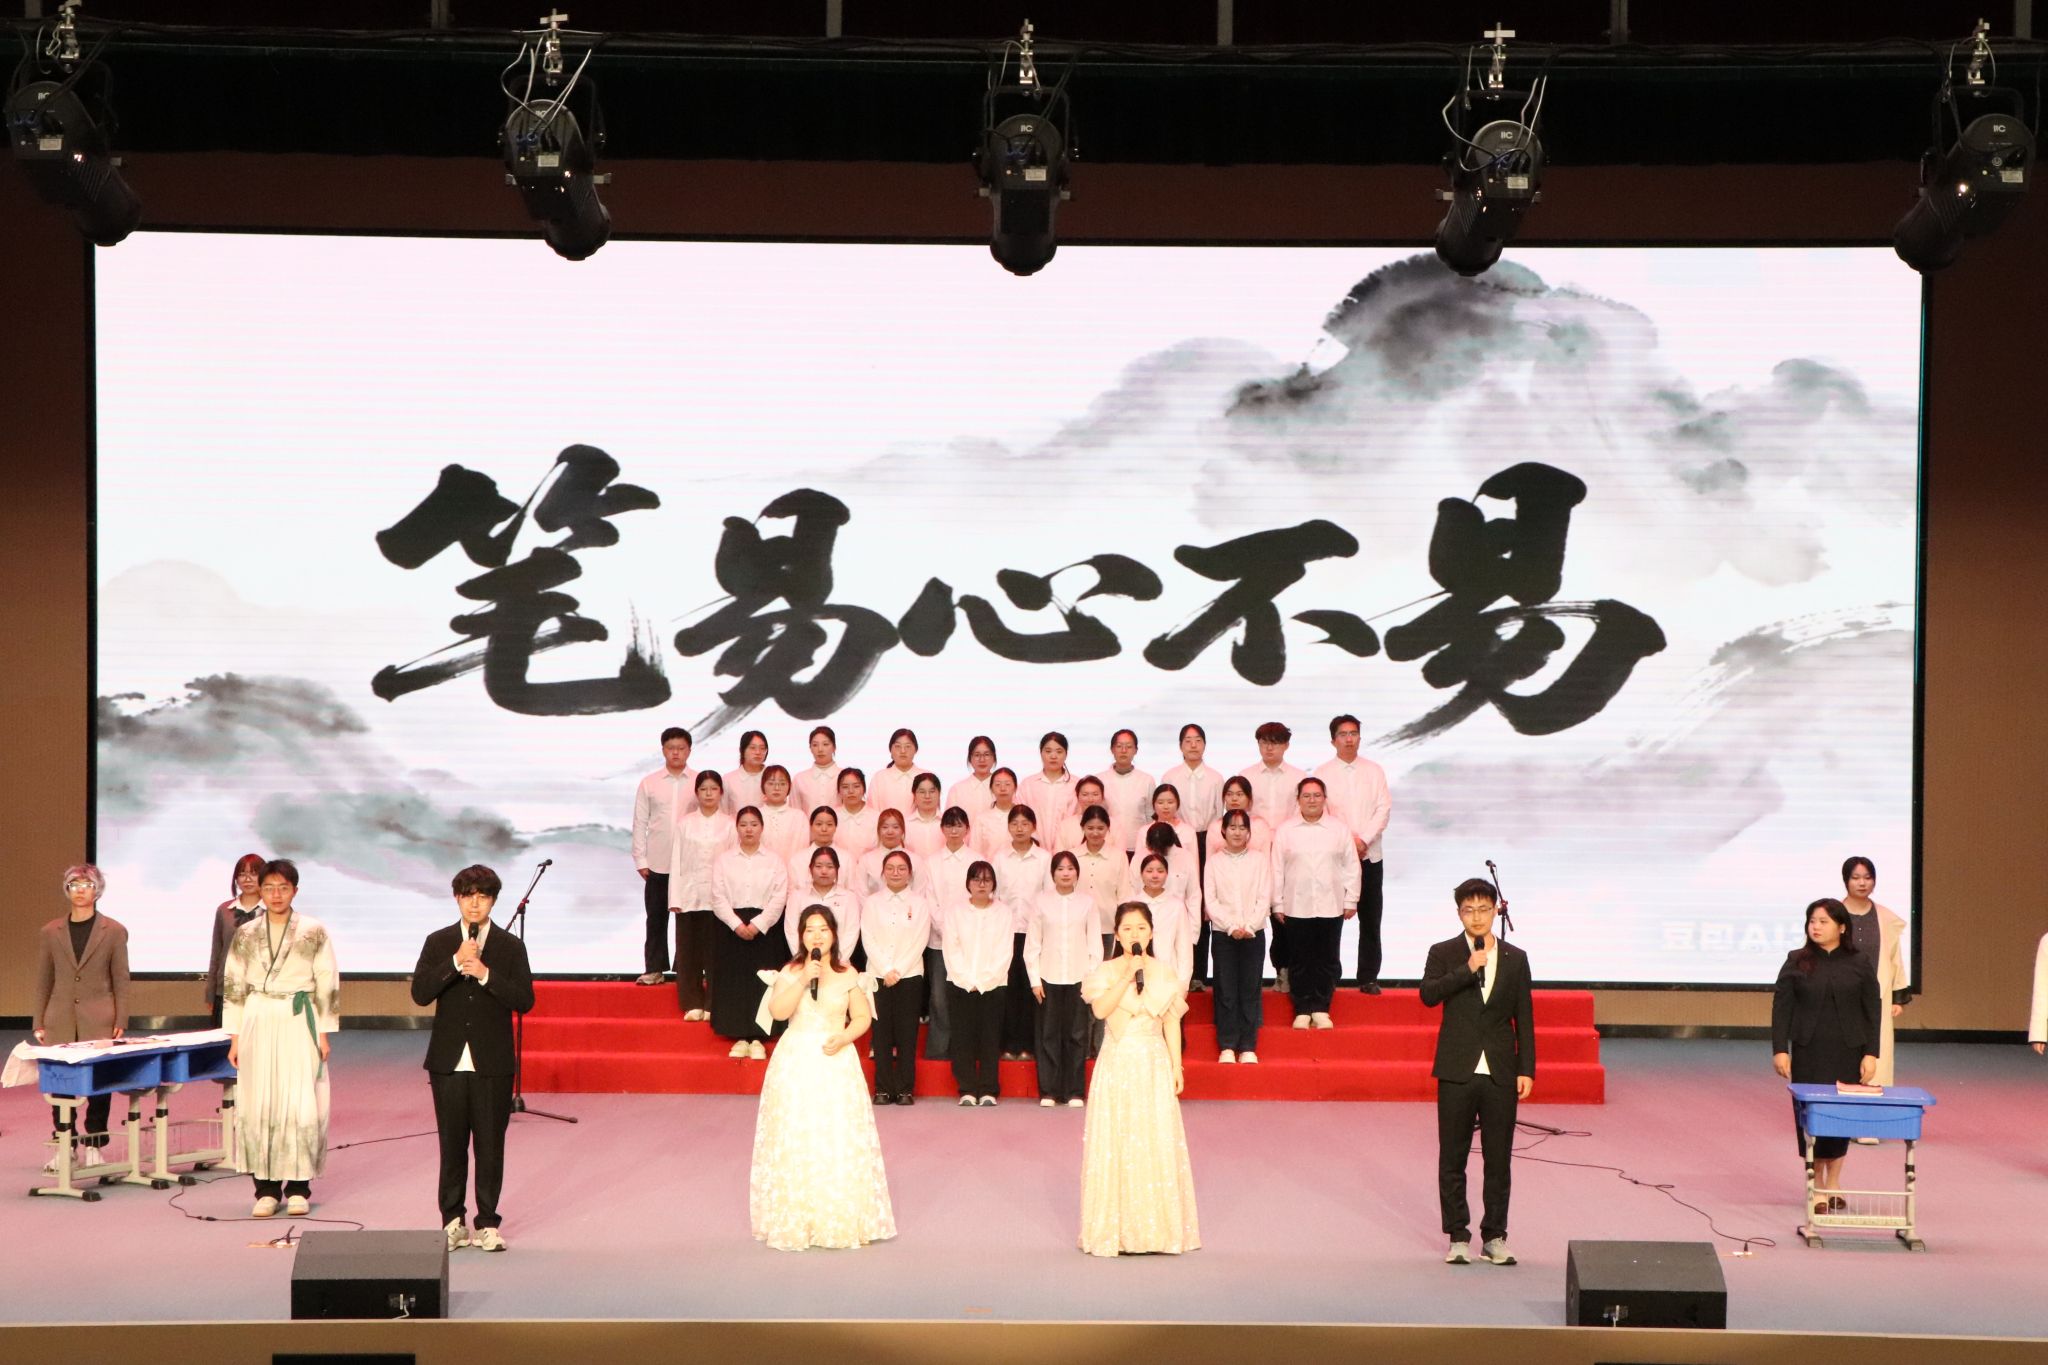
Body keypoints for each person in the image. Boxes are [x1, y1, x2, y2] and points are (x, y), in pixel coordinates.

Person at [750, 906, 897, 1251]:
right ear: (801, 935)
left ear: (834, 934)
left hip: (836, 1059)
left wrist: (845, 1037)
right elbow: (778, 1012)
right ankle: (797, 1218)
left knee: (836, 1134)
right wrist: (803, 979)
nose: (816, 936)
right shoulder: (791, 971)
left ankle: (835, 1216)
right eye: (809, 930)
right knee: (797, 1134)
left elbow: (861, 1017)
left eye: (823, 930)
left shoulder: (848, 974)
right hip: (796, 1061)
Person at [409, 864, 535, 1253]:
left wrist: (484, 974)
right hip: (447, 1061)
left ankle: (488, 1223)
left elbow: (524, 1000)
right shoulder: (439, 941)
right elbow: (420, 993)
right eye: (467, 896)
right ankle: (452, 1222)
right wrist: (454, 962)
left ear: (493, 900)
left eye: (482, 896)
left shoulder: (510, 946)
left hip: (491, 1062)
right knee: (452, 1146)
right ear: (457, 898)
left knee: (490, 1146)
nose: (474, 903)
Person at [1420, 878, 1535, 1267]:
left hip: (1500, 1069)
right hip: (1457, 1067)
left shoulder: (1516, 958)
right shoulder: (1444, 952)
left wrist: (1526, 1068)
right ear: (1459, 914)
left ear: (1495, 911)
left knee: (1498, 1159)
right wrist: (1467, 969)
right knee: (1452, 1157)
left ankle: (1495, 1236)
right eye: (1469, 910)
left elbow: (1524, 1017)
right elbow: (1428, 994)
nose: (1477, 917)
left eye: (1484, 909)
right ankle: (1457, 1235)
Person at [1078, 903, 1200, 1257]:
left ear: (1151, 933)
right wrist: (1126, 976)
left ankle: (1155, 1230)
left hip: (1153, 1063)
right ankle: (1114, 1230)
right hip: (1117, 1064)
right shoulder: (1105, 971)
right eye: (1128, 928)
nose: (1135, 934)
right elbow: (1100, 1010)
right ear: (1117, 935)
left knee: (1154, 1139)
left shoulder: (1163, 972)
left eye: (1142, 928)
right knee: (1117, 1142)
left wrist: (1177, 1067)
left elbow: (1171, 1021)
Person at [223, 859, 340, 1218]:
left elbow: (327, 981)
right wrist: (235, 1038)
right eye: (269, 888)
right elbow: (234, 985)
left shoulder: (313, 930)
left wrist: (323, 1033)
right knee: (260, 1100)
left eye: (283, 888)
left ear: (295, 891)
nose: (276, 895)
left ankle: (300, 1186)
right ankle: (266, 1189)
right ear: (260, 890)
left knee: (300, 1099)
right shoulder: (246, 933)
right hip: (258, 1015)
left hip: (297, 1016)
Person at [1772, 897, 1881, 1217]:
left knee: (1841, 1116)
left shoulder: (1859, 961)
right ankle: (1816, 1184)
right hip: (1809, 1049)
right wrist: (1780, 1049)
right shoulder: (1796, 960)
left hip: (1848, 1049)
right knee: (1812, 1116)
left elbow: (1872, 1010)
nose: (1816, 927)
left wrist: (1871, 1053)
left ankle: (1833, 1182)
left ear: (1841, 927)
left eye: (1823, 922)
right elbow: (1781, 1008)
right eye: (1812, 921)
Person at [33, 864, 130, 1168]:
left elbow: (121, 979)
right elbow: (44, 979)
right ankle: (65, 1144)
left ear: (97, 891)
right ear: (67, 890)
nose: (80, 890)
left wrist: (121, 1019)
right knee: (61, 1084)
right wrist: (39, 1021)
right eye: (74, 884)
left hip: (99, 1017)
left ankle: (94, 1145)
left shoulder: (114, 931)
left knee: (99, 1084)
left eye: (86, 885)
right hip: (59, 1017)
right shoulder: (51, 931)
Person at [1270, 778, 1358, 1030]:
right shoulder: (1286, 830)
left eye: (1317, 795)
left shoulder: (1338, 829)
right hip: (1296, 905)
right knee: (1299, 960)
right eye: (1306, 796)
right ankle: (1302, 1008)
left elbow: (1351, 866)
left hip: (1331, 903)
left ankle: (1321, 1007)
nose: (1312, 800)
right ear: (1298, 800)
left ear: (1324, 799)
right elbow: (1277, 868)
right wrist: (1277, 903)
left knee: (1327, 959)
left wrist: (1351, 898)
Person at [1315, 714, 1392, 994]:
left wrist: (1364, 840)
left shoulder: (1374, 771)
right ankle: (1330, 975)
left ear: (1359, 737)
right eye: (1343, 734)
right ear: (1333, 740)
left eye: (1353, 734)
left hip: (1370, 855)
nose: (1349, 739)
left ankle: (1368, 976)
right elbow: (1322, 813)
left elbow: (1383, 809)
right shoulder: (1322, 773)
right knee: (1331, 919)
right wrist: (1349, 843)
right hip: (1336, 857)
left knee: (1370, 918)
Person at [711, 808, 790, 1061]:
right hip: (731, 927)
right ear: (737, 828)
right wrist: (736, 924)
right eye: (743, 824)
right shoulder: (724, 860)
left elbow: (779, 897)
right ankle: (738, 1034)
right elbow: (717, 896)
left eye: (754, 824)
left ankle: (759, 1037)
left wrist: (758, 924)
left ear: (762, 828)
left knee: (762, 982)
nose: (748, 829)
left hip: (765, 929)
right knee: (735, 981)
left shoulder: (774, 861)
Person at [1026, 851, 1103, 1107]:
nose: (1066, 873)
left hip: (1078, 977)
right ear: (1052, 873)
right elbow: (1033, 943)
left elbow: (1095, 943)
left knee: (1076, 1035)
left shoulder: (1087, 903)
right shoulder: (1041, 902)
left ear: (1077, 873)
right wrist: (1034, 980)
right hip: (1047, 976)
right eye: (1060, 869)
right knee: (1048, 1035)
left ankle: (1074, 1091)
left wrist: (1090, 977)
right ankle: (1049, 1091)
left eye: (1070, 868)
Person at [1240, 725, 1305, 992]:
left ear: (1286, 746)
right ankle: (1248, 976)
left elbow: (1302, 815)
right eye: (1264, 742)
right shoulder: (1246, 776)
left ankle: (1284, 971)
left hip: (1287, 854)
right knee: (1249, 911)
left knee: (1283, 916)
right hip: (1253, 853)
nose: (1269, 747)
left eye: (1275, 742)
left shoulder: (1299, 777)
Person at [668, 770, 736, 1020]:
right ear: (696, 793)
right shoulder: (685, 824)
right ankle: (692, 1002)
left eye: (713, 789)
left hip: (719, 898)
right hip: (689, 895)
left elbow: (732, 862)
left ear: (721, 793)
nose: (708, 794)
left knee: (717, 953)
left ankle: (713, 1003)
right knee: (689, 952)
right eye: (704, 789)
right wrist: (675, 897)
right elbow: (676, 860)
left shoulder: (730, 824)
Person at [864, 851, 931, 1105]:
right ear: (882, 873)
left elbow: (920, 940)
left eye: (901, 868)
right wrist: (885, 969)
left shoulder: (919, 904)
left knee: (907, 1034)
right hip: (878, 975)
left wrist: (898, 970)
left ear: (910, 874)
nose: (895, 873)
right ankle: (882, 1088)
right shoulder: (872, 903)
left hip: (909, 975)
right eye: (890, 868)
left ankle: (905, 1089)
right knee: (880, 1034)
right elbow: (868, 937)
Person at [1204, 811, 1271, 1064]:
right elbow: (1211, 900)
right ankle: (1227, 1045)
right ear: (1223, 831)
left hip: (1254, 933)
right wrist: (1231, 926)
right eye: (1232, 827)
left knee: (1250, 989)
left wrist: (1250, 925)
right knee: (1226, 990)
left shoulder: (1259, 860)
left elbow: (1264, 896)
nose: (1237, 832)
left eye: (1242, 828)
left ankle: (1248, 1046)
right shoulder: (1214, 862)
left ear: (1249, 832)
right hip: (1224, 934)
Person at [630, 726, 695, 986]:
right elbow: (640, 822)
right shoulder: (650, 782)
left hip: (690, 863)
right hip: (657, 861)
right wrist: (641, 859)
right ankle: (654, 969)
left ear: (689, 750)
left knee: (687, 922)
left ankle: (685, 970)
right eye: (671, 748)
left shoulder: (699, 781)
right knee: (656, 918)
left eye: (681, 748)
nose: (676, 753)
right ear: (663, 750)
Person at [943, 861, 1011, 1105]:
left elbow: (1004, 950)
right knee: (962, 1037)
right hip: (960, 983)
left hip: (994, 984)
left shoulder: (1003, 912)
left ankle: (989, 1089)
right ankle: (967, 1089)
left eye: (987, 880)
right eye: (976, 879)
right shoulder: (955, 912)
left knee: (990, 1038)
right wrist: (967, 980)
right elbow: (951, 948)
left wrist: (985, 980)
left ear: (993, 884)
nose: (982, 884)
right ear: (968, 883)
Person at [1838, 856, 1909, 1087]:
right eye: (1856, 877)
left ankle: (1873, 1091)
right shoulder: (1832, 913)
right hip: (1838, 992)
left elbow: (1894, 957)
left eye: (1867, 878)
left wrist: (1898, 997)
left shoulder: (1885, 917)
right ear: (1846, 880)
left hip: (1875, 993)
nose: (1862, 883)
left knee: (1876, 1045)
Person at [921, 807, 980, 1062]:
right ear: (942, 829)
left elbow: (981, 897)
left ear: (967, 829)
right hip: (938, 940)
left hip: (970, 939)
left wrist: (962, 932)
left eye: (959, 825)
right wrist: (945, 929)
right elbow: (928, 899)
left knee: (967, 992)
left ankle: (965, 1047)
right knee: (939, 996)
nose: (954, 830)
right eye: (949, 825)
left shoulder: (977, 860)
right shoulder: (931, 862)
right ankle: (939, 1050)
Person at [994, 805, 1051, 1060]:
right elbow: (994, 895)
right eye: (1015, 824)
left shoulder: (1044, 859)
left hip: (1034, 932)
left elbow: (1048, 895)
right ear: (1008, 827)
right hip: (1006, 932)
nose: (1020, 829)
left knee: (1031, 988)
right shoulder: (999, 858)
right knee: (1008, 988)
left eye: (1025, 824)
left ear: (1034, 827)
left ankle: (1028, 1046)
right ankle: (1008, 1045)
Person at [205, 852, 266, 1026]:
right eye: (242, 874)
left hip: (262, 990)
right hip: (227, 988)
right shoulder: (224, 910)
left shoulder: (273, 910)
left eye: (254, 873)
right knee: (224, 1039)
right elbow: (216, 953)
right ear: (236, 879)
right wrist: (211, 992)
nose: (247, 879)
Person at [783, 846, 862, 962]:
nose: (824, 871)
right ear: (810, 869)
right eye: (818, 866)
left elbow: (851, 932)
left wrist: (835, 962)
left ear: (837, 870)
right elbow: (792, 932)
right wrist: (805, 959)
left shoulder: (849, 898)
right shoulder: (796, 897)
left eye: (830, 867)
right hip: (804, 963)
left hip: (839, 963)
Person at [1129, 854, 1193, 990]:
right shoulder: (1132, 905)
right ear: (1141, 874)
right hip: (1136, 976)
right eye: (1149, 871)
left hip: (1168, 976)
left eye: (1160, 871)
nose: (1155, 875)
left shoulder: (1176, 906)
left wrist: (1184, 983)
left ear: (1167, 874)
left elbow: (1184, 946)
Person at [1096, 729, 1153, 856]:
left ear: (1136, 750)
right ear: (1112, 749)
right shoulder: (1100, 780)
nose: (1123, 750)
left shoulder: (1146, 780)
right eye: (1119, 746)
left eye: (1129, 746)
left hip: (1139, 847)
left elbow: (1150, 816)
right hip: (1108, 846)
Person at [1019, 732, 1078, 850]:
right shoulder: (1028, 784)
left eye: (1059, 752)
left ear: (1066, 754)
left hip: (1069, 849)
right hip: (1034, 850)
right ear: (1041, 753)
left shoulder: (1076, 785)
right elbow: (1020, 817)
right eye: (1048, 751)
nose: (1053, 756)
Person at [858, 809, 927, 896]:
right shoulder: (866, 860)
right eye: (885, 827)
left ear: (903, 831)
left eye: (895, 827)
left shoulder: (916, 860)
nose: (890, 832)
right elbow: (862, 894)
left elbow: (919, 894)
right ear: (878, 831)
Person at [871, 727, 931, 819]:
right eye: (898, 746)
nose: (903, 751)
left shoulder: (927, 777)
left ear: (916, 750)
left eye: (908, 746)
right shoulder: (879, 778)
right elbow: (872, 814)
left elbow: (934, 813)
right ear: (890, 750)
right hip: (886, 828)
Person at [1054, 775, 1121, 854]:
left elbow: (1120, 855)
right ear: (1077, 797)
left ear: (1103, 797)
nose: (1090, 799)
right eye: (1085, 794)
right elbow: (1059, 856)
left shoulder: (1114, 825)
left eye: (1095, 794)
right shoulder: (1065, 825)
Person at [755, 764, 807, 862]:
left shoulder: (799, 817)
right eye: (771, 783)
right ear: (763, 786)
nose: (777, 788)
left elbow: (802, 851)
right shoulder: (756, 816)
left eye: (782, 784)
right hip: (761, 869)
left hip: (792, 869)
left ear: (789, 787)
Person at [792, 725, 843, 817]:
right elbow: (795, 815)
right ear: (810, 748)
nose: (820, 749)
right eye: (815, 745)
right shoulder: (800, 779)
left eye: (825, 744)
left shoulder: (844, 776)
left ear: (834, 747)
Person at [972, 767, 1021, 859]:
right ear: (991, 789)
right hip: (990, 868)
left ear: (1015, 787)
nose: (1003, 788)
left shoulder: (1024, 817)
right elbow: (975, 853)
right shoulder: (982, 819)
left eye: (1007, 784)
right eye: (998, 784)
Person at [834, 767, 881, 862]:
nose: (851, 791)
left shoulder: (877, 818)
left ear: (864, 789)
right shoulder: (831, 817)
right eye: (845, 787)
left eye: (856, 786)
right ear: (839, 791)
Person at [948, 735, 1000, 818]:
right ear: (970, 758)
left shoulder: (1004, 788)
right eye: (977, 755)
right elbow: (949, 822)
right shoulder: (957, 790)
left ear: (994, 757)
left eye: (986, 754)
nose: (982, 759)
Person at [722, 730, 770, 816]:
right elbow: (723, 814)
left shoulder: (772, 778)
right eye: (752, 748)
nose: (758, 752)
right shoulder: (728, 780)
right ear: (742, 750)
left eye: (762, 748)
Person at [902, 773, 949, 861]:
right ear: (914, 795)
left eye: (932, 791)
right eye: (922, 792)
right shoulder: (904, 825)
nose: (927, 796)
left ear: (939, 794)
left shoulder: (949, 823)